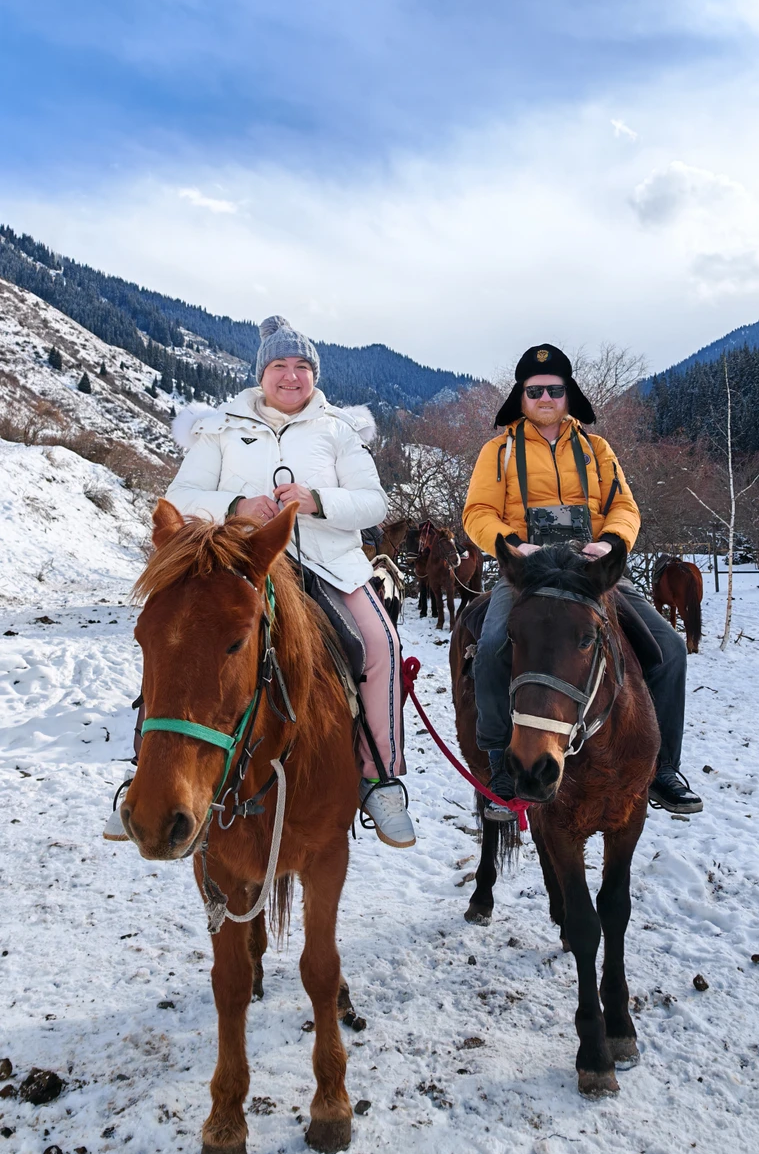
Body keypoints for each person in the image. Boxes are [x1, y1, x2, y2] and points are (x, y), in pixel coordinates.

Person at [105, 315, 415, 849]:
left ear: (314, 375)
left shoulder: (339, 429)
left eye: (302, 367)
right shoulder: (220, 427)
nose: (291, 376)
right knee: (176, 642)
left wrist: (318, 500)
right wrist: (234, 505)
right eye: (279, 365)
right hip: (234, 565)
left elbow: (374, 502)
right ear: (261, 372)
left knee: (381, 644)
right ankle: (144, 771)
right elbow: (179, 497)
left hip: (327, 564)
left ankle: (377, 777)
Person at [463, 342, 703, 821]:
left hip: (590, 573)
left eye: (554, 389)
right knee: (491, 646)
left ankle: (663, 768)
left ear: (568, 394)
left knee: (670, 649)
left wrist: (613, 544)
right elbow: (478, 512)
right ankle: (501, 764)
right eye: (534, 391)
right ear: (521, 397)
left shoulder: (596, 449)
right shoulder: (499, 451)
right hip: (528, 572)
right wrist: (513, 545)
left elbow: (624, 508)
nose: (545, 397)